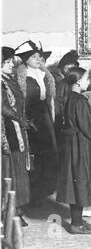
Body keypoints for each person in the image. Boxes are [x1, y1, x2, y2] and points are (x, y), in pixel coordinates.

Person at [56, 67, 91, 234]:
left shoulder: (70, 98)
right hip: (82, 146)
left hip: (74, 145)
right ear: (77, 81)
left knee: (77, 183)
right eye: (86, 79)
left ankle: (77, 220)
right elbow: (89, 127)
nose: (89, 82)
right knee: (82, 181)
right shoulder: (80, 100)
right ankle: (76, 225)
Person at [15, 40, 58, 205]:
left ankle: (47, 190)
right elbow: (20, 101)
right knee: (35, 153)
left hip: (45, 115)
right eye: (33, 57)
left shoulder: (45, 74)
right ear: (26, 60)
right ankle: (35, 193)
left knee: (49, 151)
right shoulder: (22, 76)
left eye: (39, 56)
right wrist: (26, 120)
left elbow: (49, 99)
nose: (38, 59)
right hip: (31, 118)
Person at [1, 46, 31, 226]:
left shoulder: (9, 79)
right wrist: (19, 118)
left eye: (12, 61)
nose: (12, 64)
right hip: (6, 129)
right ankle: (8, 212)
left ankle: (16, 208)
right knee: (7, 170)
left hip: (16, 127)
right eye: (7, 62)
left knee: (17, 169)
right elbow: (2, 106)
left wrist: (22, 119)